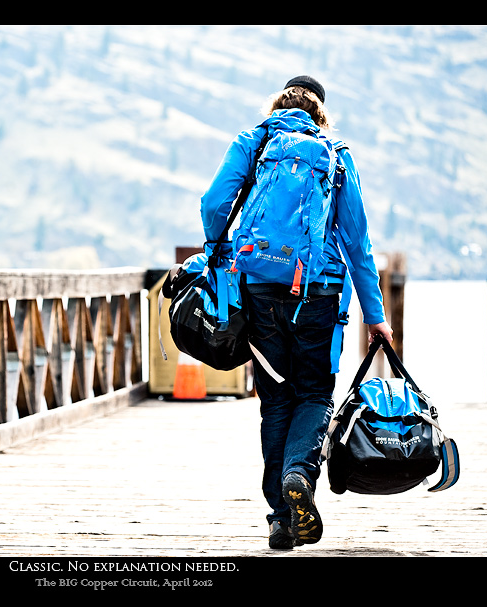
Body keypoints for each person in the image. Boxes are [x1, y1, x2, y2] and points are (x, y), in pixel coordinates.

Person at [200, 75, 393, 549]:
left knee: (276, 400)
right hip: (320, 294)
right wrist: (375, 314)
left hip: (260, 290)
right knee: (313, 394)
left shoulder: (254, 140)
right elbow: (357, 242)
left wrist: (220, 250)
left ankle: (281, 518)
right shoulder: (336, 155)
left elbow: (213, 202)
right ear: (319, 114)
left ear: (278, 105)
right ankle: (298, 475)